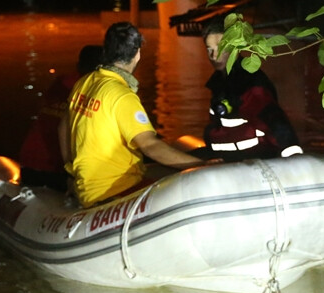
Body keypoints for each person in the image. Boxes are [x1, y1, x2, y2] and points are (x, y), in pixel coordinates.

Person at [60, 22, 210, 207]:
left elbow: (63, 128)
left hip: (87, 188)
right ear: (137, 53)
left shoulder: (84, 83)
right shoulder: (122, 96)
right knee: (188, 181)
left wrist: (71, 172)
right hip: (116, 190)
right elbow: (149, 146)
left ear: (106, 50)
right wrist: (203, 167)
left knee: (161, 170)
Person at [200, 17, 303, 160]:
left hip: (254, 157)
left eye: (221, 48)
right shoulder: (218, 83)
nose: (214, 56)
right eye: (209, 49)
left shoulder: (249, 81)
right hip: (227, 156)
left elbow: (274, 118)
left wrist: (293, 155)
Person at [18, 44, 103, 191]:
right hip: (57, 169)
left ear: (78, 65)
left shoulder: (60, 82)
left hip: (28, 163)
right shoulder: (92, 91)